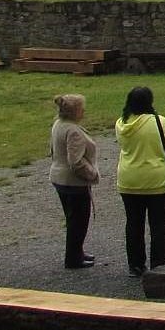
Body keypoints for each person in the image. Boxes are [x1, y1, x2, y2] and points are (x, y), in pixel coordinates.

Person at [115, 85, 165, 276]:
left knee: (133, 224)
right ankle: (159, 265)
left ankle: (135, 265)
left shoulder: (121, 123)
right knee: (159, 226)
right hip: (156, 181)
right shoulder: (159, 122)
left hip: (128, 180)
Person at [48, 93, 99, 269]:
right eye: (81, 108)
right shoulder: (73, 131)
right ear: (74, 111)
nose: (84, 111)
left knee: (73, 219)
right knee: (79, 221)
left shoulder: (58, 124)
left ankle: (77, 252)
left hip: (58, 177)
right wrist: (92, 174)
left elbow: (53, 150)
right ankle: (73, 258)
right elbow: (75, 161)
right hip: (73, 183)